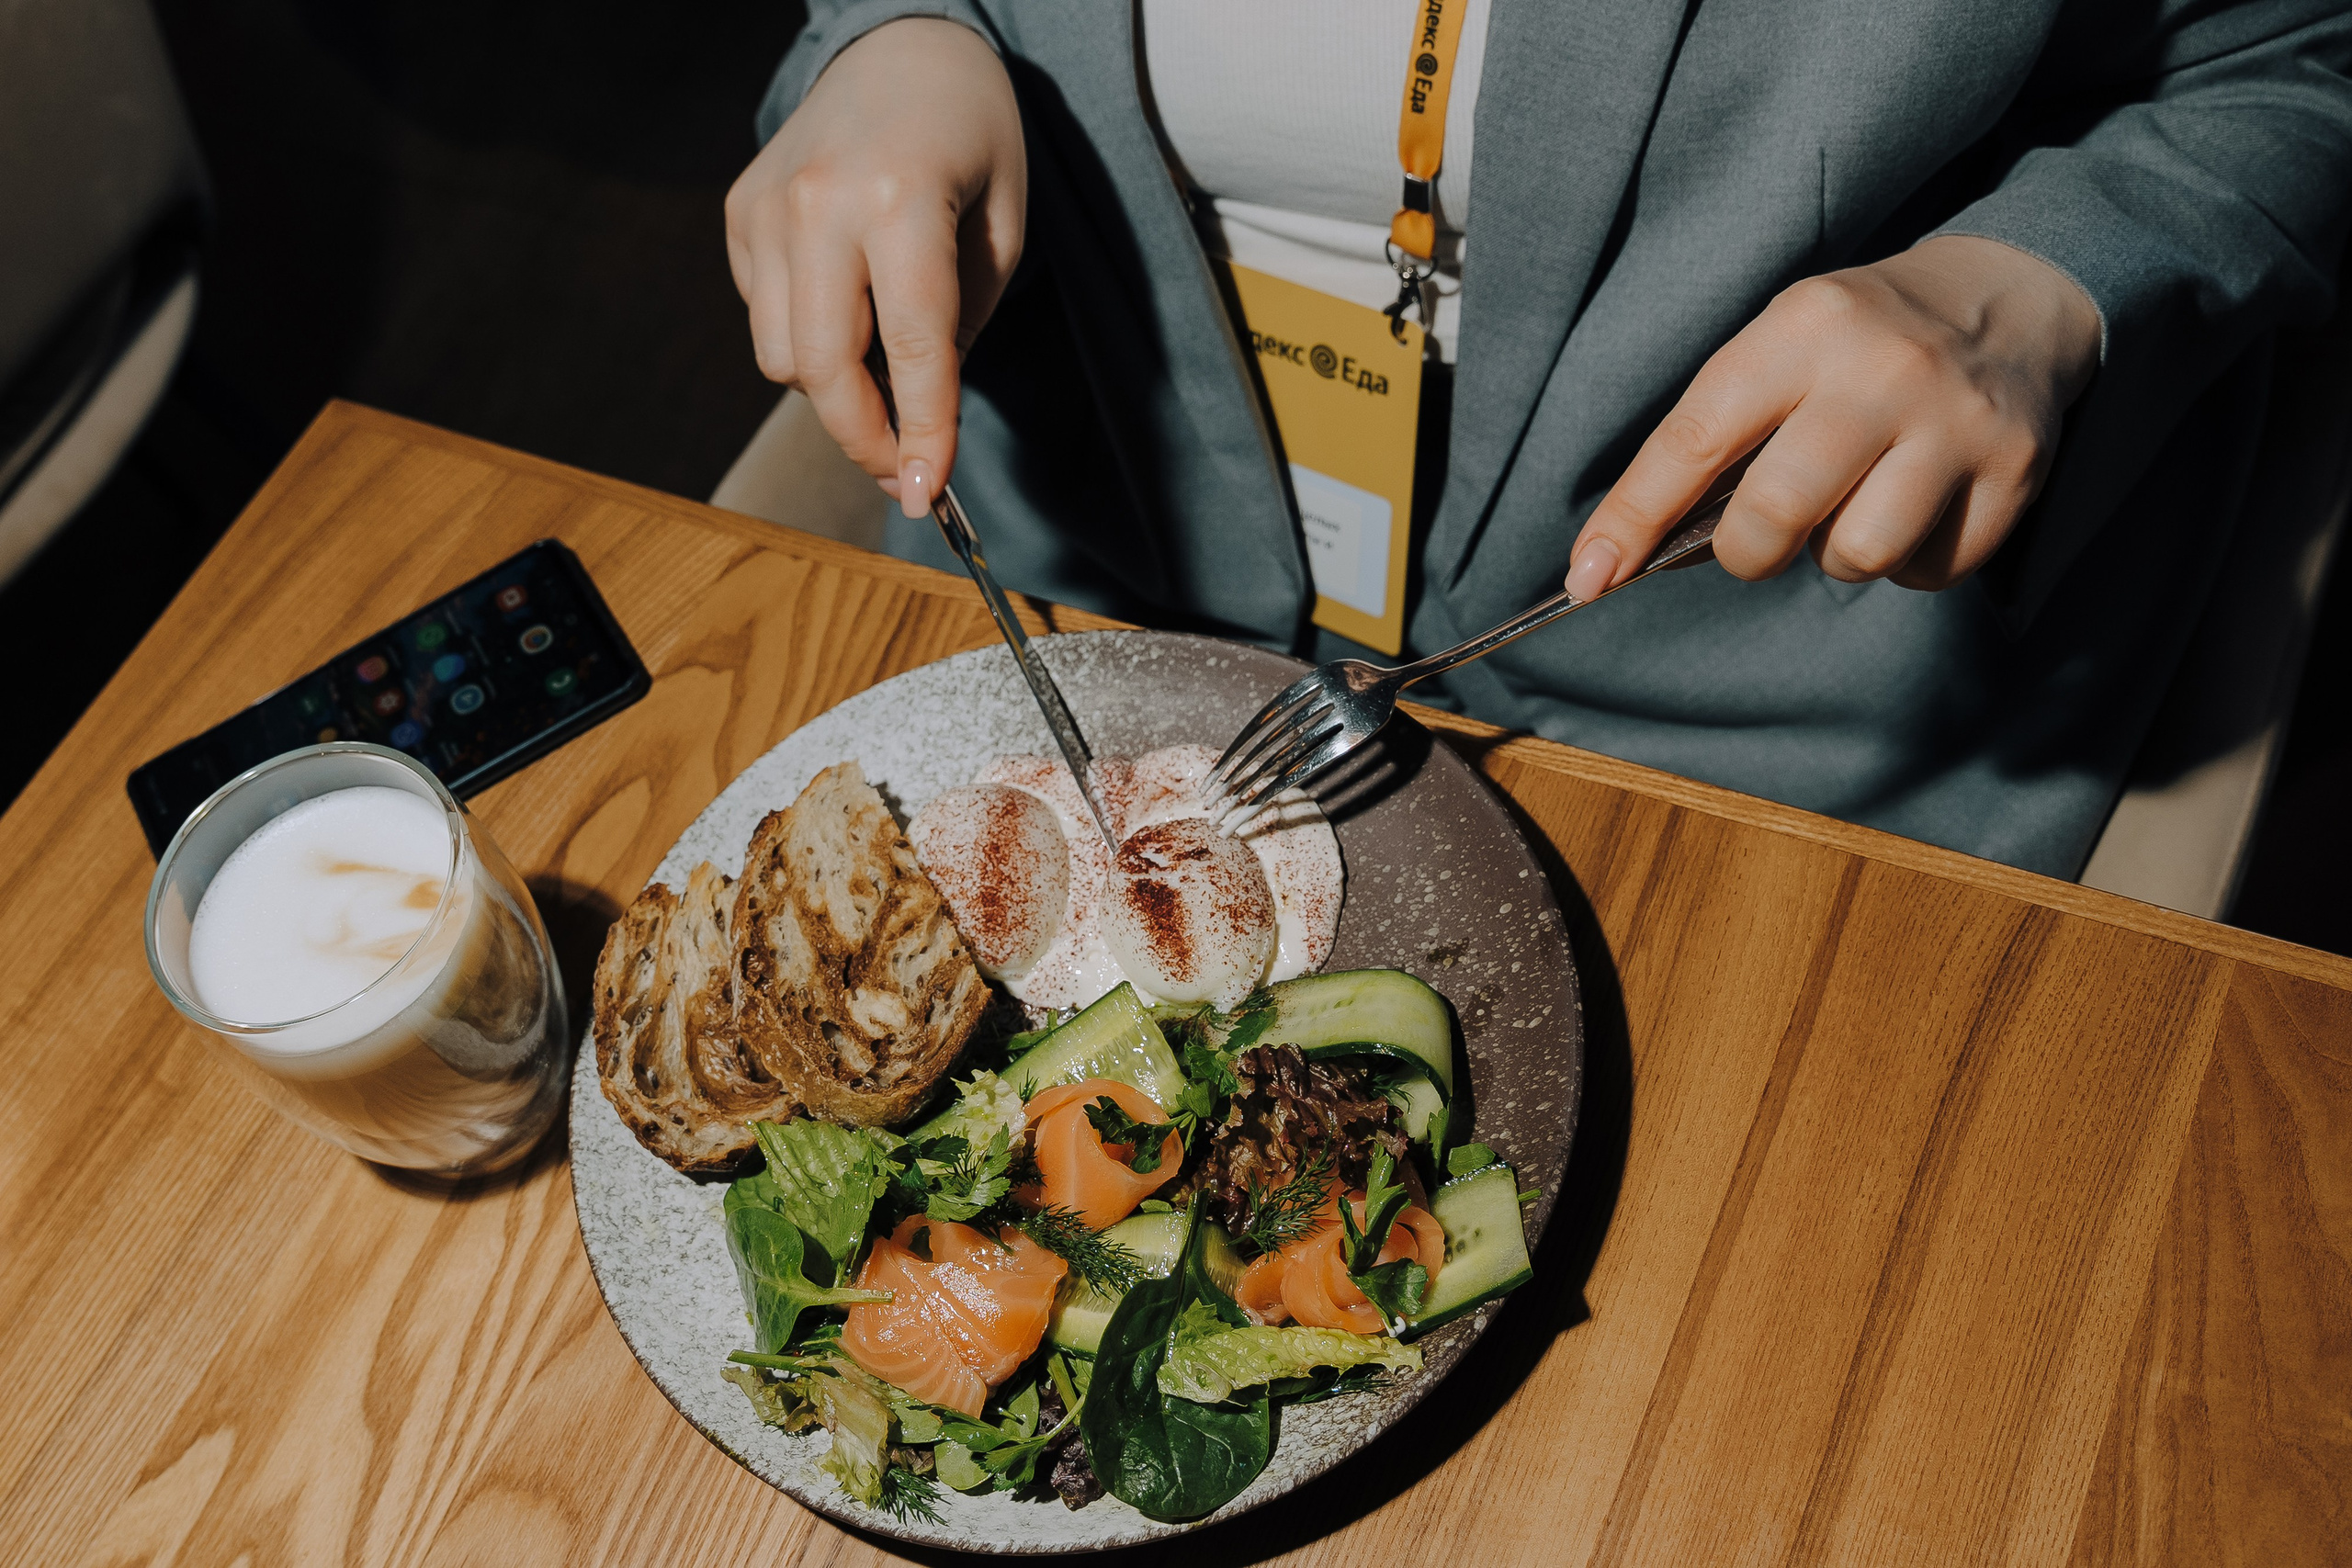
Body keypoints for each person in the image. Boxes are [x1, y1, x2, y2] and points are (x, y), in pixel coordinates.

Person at [724, 3, 2352, 877]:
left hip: (1751, 712)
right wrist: (892, 33)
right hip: (1083, 600)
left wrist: (2043, 285)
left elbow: (2294, 58)